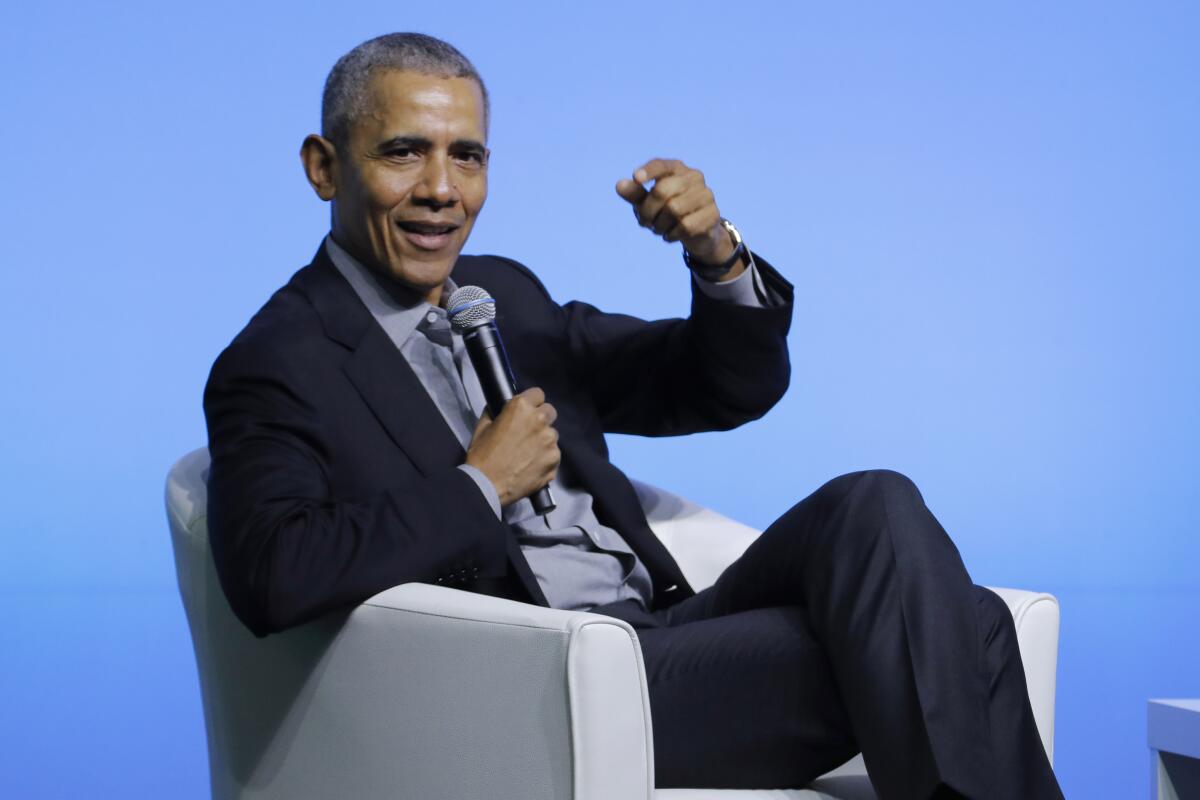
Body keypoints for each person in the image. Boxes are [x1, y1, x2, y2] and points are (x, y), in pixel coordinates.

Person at [203, 32, 1064, 799]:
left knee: (875, 501)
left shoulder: (501, 294)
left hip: (663, 633)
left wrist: (715, 257)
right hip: (545, 678)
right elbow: (273, 572)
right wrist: (478, 484)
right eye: (403, 153)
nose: (442, 189)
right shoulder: (279, 362)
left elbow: (716, 386)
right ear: (324, 165)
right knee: (960, 629)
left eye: (467, 156)